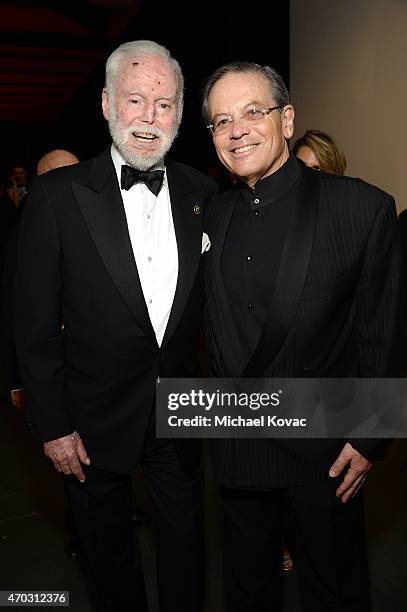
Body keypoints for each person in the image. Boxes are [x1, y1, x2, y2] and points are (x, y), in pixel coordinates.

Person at [14, 40, 217, 612]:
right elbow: (33, 325)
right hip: (91, 421)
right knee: (109, 555)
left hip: (181, 410)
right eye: (135, 100)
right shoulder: (56, 197)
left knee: (186, 548)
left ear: (181, 114)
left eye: (165, 104)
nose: (149, 119)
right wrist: (52, 426)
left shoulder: (203, 195)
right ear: (106, 104)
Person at [202, 61, 402, 612]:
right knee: (247, 586)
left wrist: (370, 436)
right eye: (221, 121)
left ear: (286, 120)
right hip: (238, 443)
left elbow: (381, 333)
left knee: (333, 587)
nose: (236, 129)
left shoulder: (361, 209)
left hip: (326, 449)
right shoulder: (211, 216)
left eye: (252, 112)